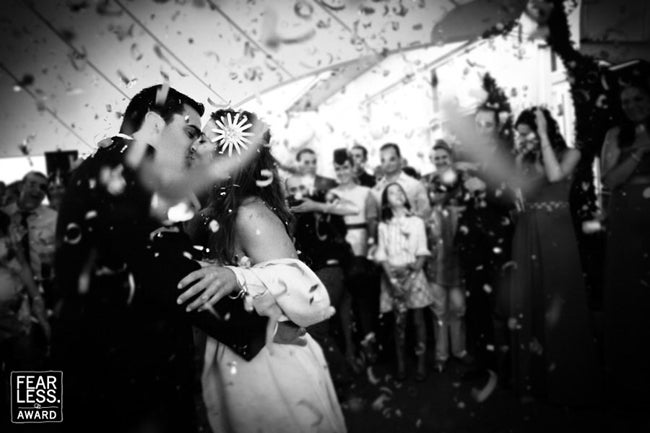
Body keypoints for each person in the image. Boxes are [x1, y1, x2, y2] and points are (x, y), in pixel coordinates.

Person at [52, 85, 274, 433]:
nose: (193, 147)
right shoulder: (137, 173)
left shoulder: (103, 165)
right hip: (134, 371)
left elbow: (137, 258)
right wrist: (259, 328)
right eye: (190, 133)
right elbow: (173, 275)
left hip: (101, 356)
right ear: (155, 124)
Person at [179, 108, 346, 433]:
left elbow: (306, 295)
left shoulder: (249, 215)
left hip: (268, 362)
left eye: (204, 140)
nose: (194, 146)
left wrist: (237, 277)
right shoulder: (217, 212)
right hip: (242, 348)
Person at [507, 107, 600, 405]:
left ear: (543, 129)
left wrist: (544, 138)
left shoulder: (570, 153)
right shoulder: (524, 159)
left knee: (559, 293)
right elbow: (520, 196)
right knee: (531, 297)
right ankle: (534, 378)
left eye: (527, 134)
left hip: (556, 232)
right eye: (519, 135)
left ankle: (566, 375)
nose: (522, 140)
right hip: (527, 230)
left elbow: (555, 175)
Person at [600, 79, 650, 408]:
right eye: (626, 101)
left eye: (638, 98)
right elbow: (609, 179)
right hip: (627, 219)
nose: (632, 106)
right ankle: (631, 375)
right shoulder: (616, 135)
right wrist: (640, 151)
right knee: (631, 291)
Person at [375, 183, 433, 381]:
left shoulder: (416, 222)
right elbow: (382, 255)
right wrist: (392, 281)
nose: (398, 194)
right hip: (392, 278)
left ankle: (421, 363)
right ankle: (400, 365)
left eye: (400, 190)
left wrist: (410, 279)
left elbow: (422, 253)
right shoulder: (383, 225)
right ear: (386, 202)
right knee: (399, 323)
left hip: (414, 275)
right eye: (392, 192)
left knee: (418, 321)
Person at [423, 141, 470, 373]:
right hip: (436, 253)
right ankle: (441, 354)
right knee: (439, 308)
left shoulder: (463, 179)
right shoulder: (426, 182)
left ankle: (460, 350)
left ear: (450, 157)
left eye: (444, 157)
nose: (441, 161)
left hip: (458, 250)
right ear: (431, 160)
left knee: (458, 307)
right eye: (437, 158)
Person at [329, 148, 380, 364]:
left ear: (353, 167)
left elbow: (372, 223)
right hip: (340, 249)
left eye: (345, 167)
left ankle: (369, 344)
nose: (342, 172)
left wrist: (371, 247)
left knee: (364, 300)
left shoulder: (365, 192)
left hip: (362, 249)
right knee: (344, 301)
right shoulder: (331, 194)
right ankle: (351, 349)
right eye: (338, 168)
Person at [372, 143, 430, 218]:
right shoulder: (376, 190)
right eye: (383, 160)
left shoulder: (415, 185)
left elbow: (426, 215)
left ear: (400, 159)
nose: (387, 164)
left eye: (392, 159)